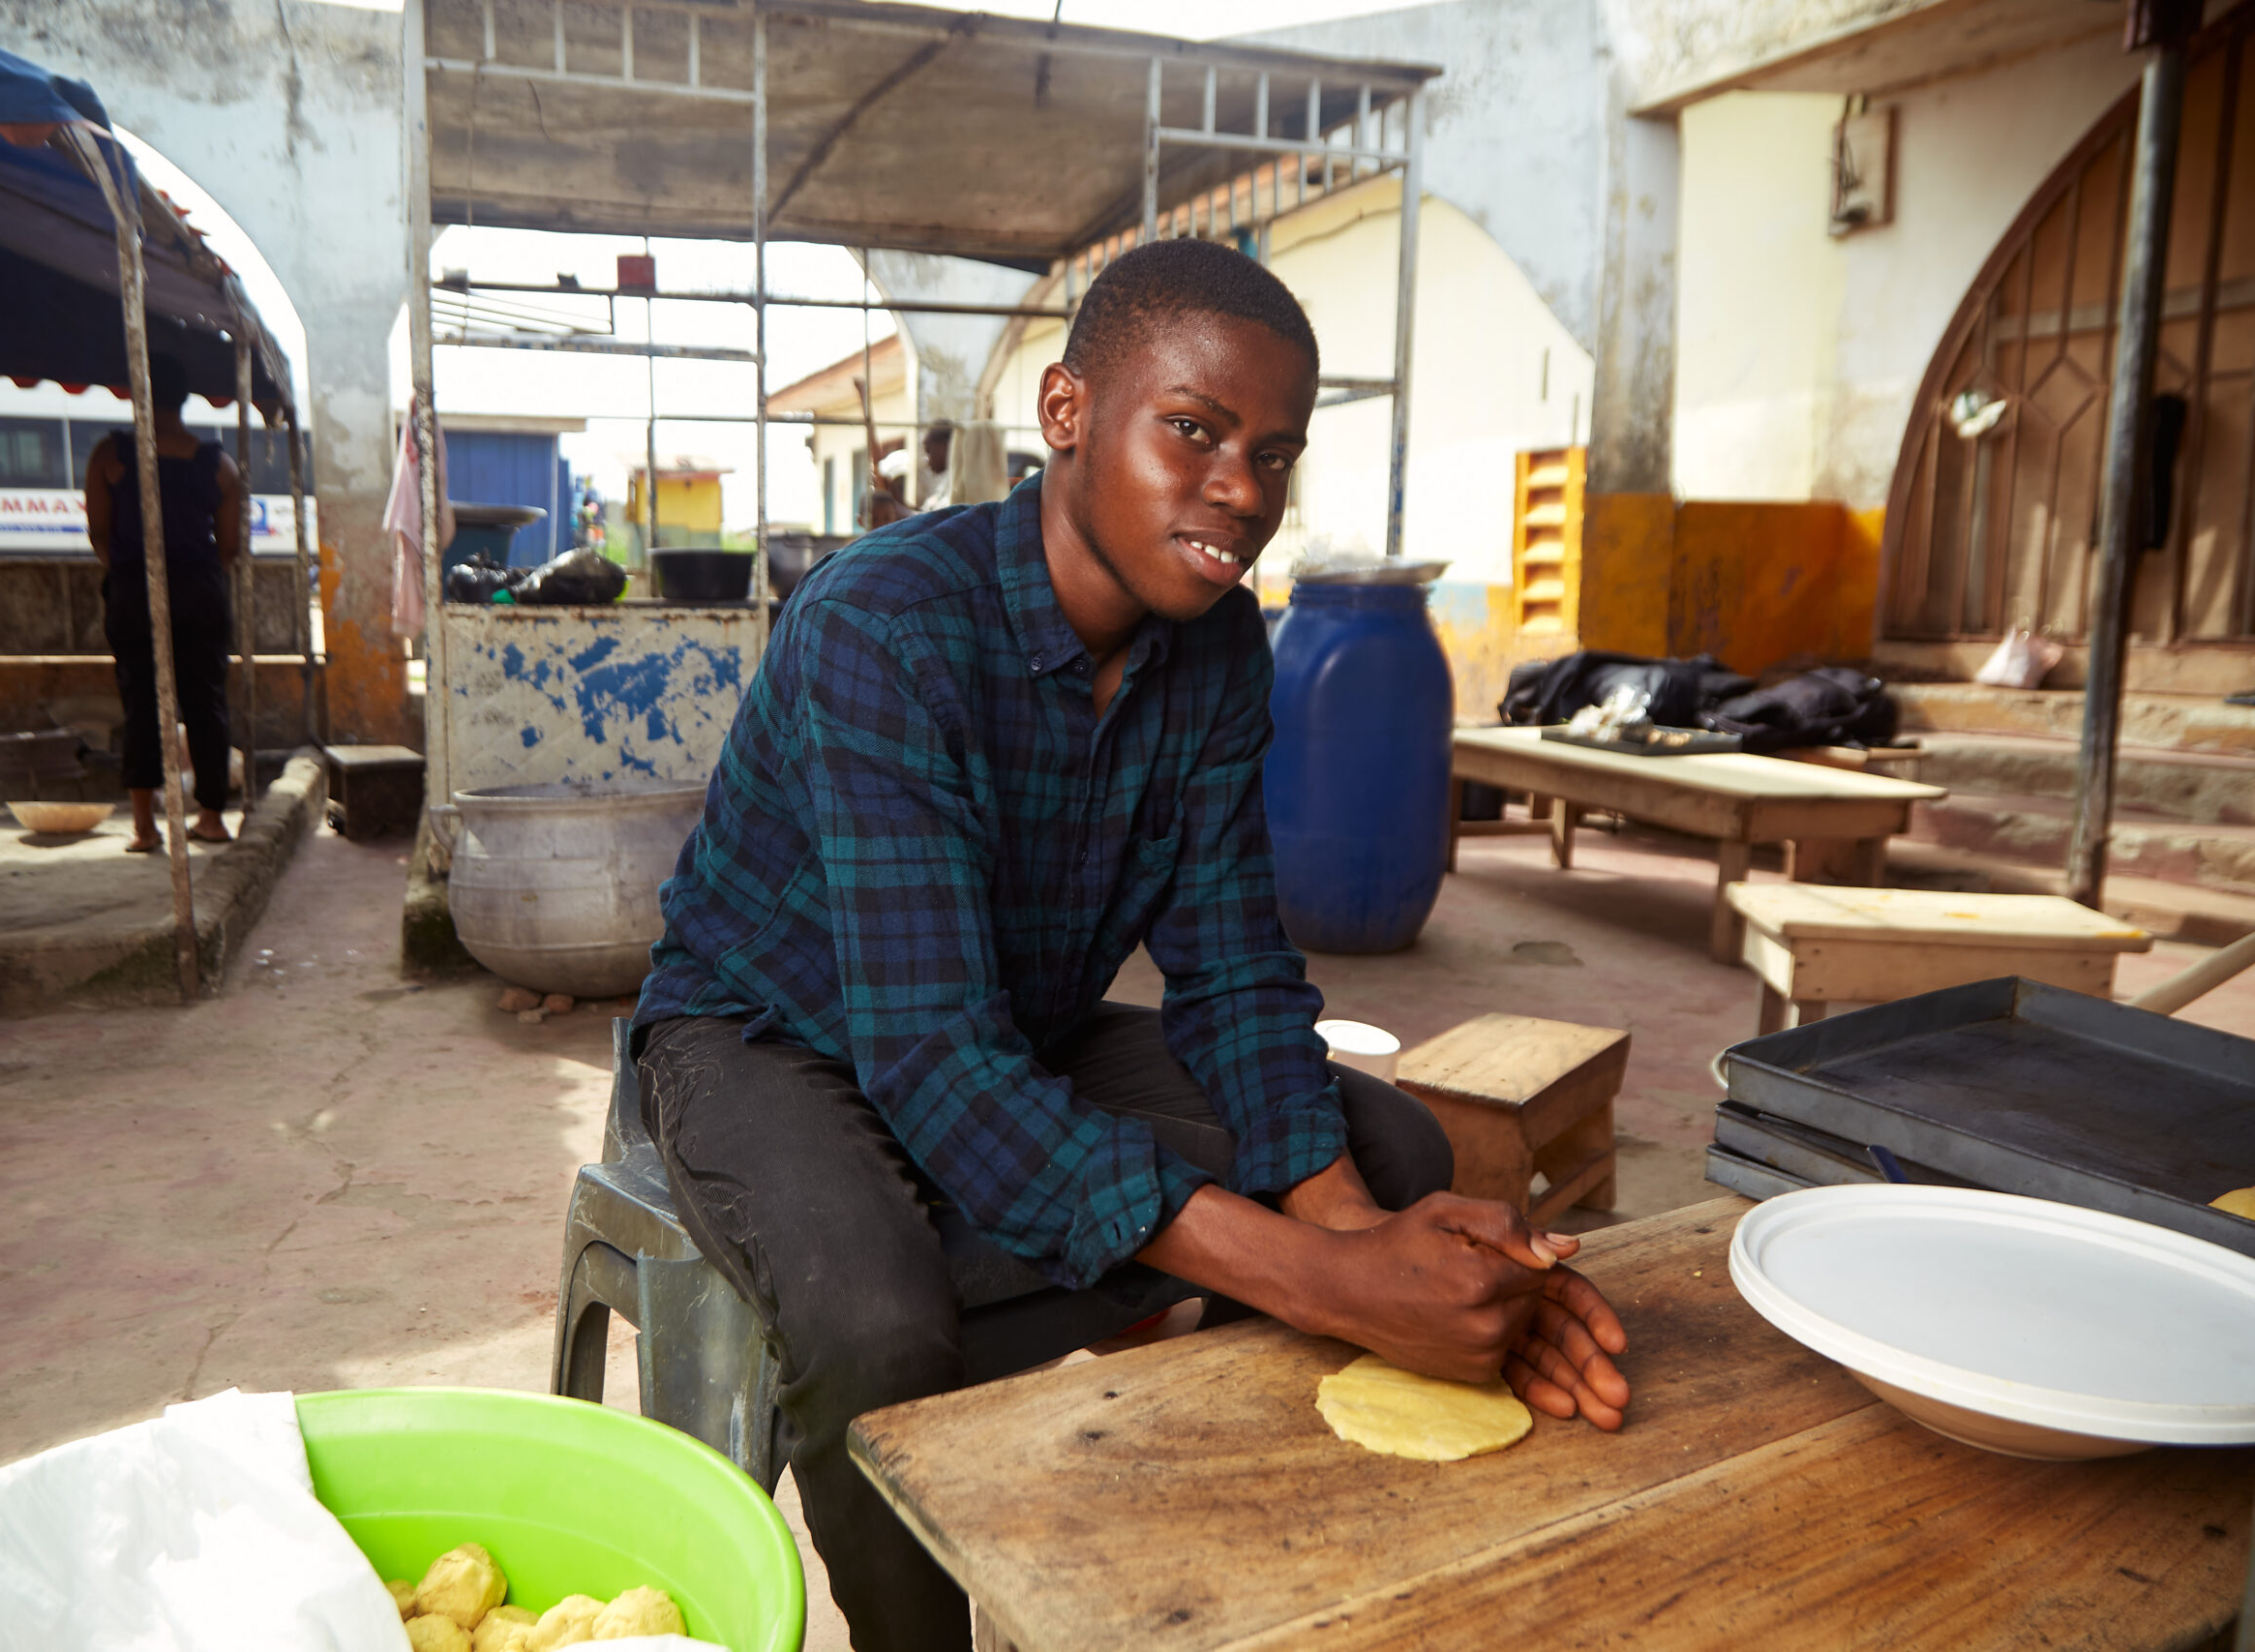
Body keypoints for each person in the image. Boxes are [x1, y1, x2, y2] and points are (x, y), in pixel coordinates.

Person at [633, 239, 1629, 1649]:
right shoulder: (884, 622)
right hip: (764, 1035)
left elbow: (1230, 968)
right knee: (876, 1324)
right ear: (1064, 415)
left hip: (1005, 1027)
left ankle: (1192, 1563)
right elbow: (928, 1053)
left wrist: (1362, 1236)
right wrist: (1322, 1278)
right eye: (1194, 430)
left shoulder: (1218, 650)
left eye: (1274, 453)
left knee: (1391, 1155)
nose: (1241, 488)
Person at [83, 352, 244, 852]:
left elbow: (99, 533)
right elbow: (231, 548)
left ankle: (143, 827)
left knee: (141, 703)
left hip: (135, 591)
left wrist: (136, 574)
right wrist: (190, 573)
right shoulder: (219, 465)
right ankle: (212, 818)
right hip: (199, 593)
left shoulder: (109, 456)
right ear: (187, 398)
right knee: (206, 704)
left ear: (138, 396)